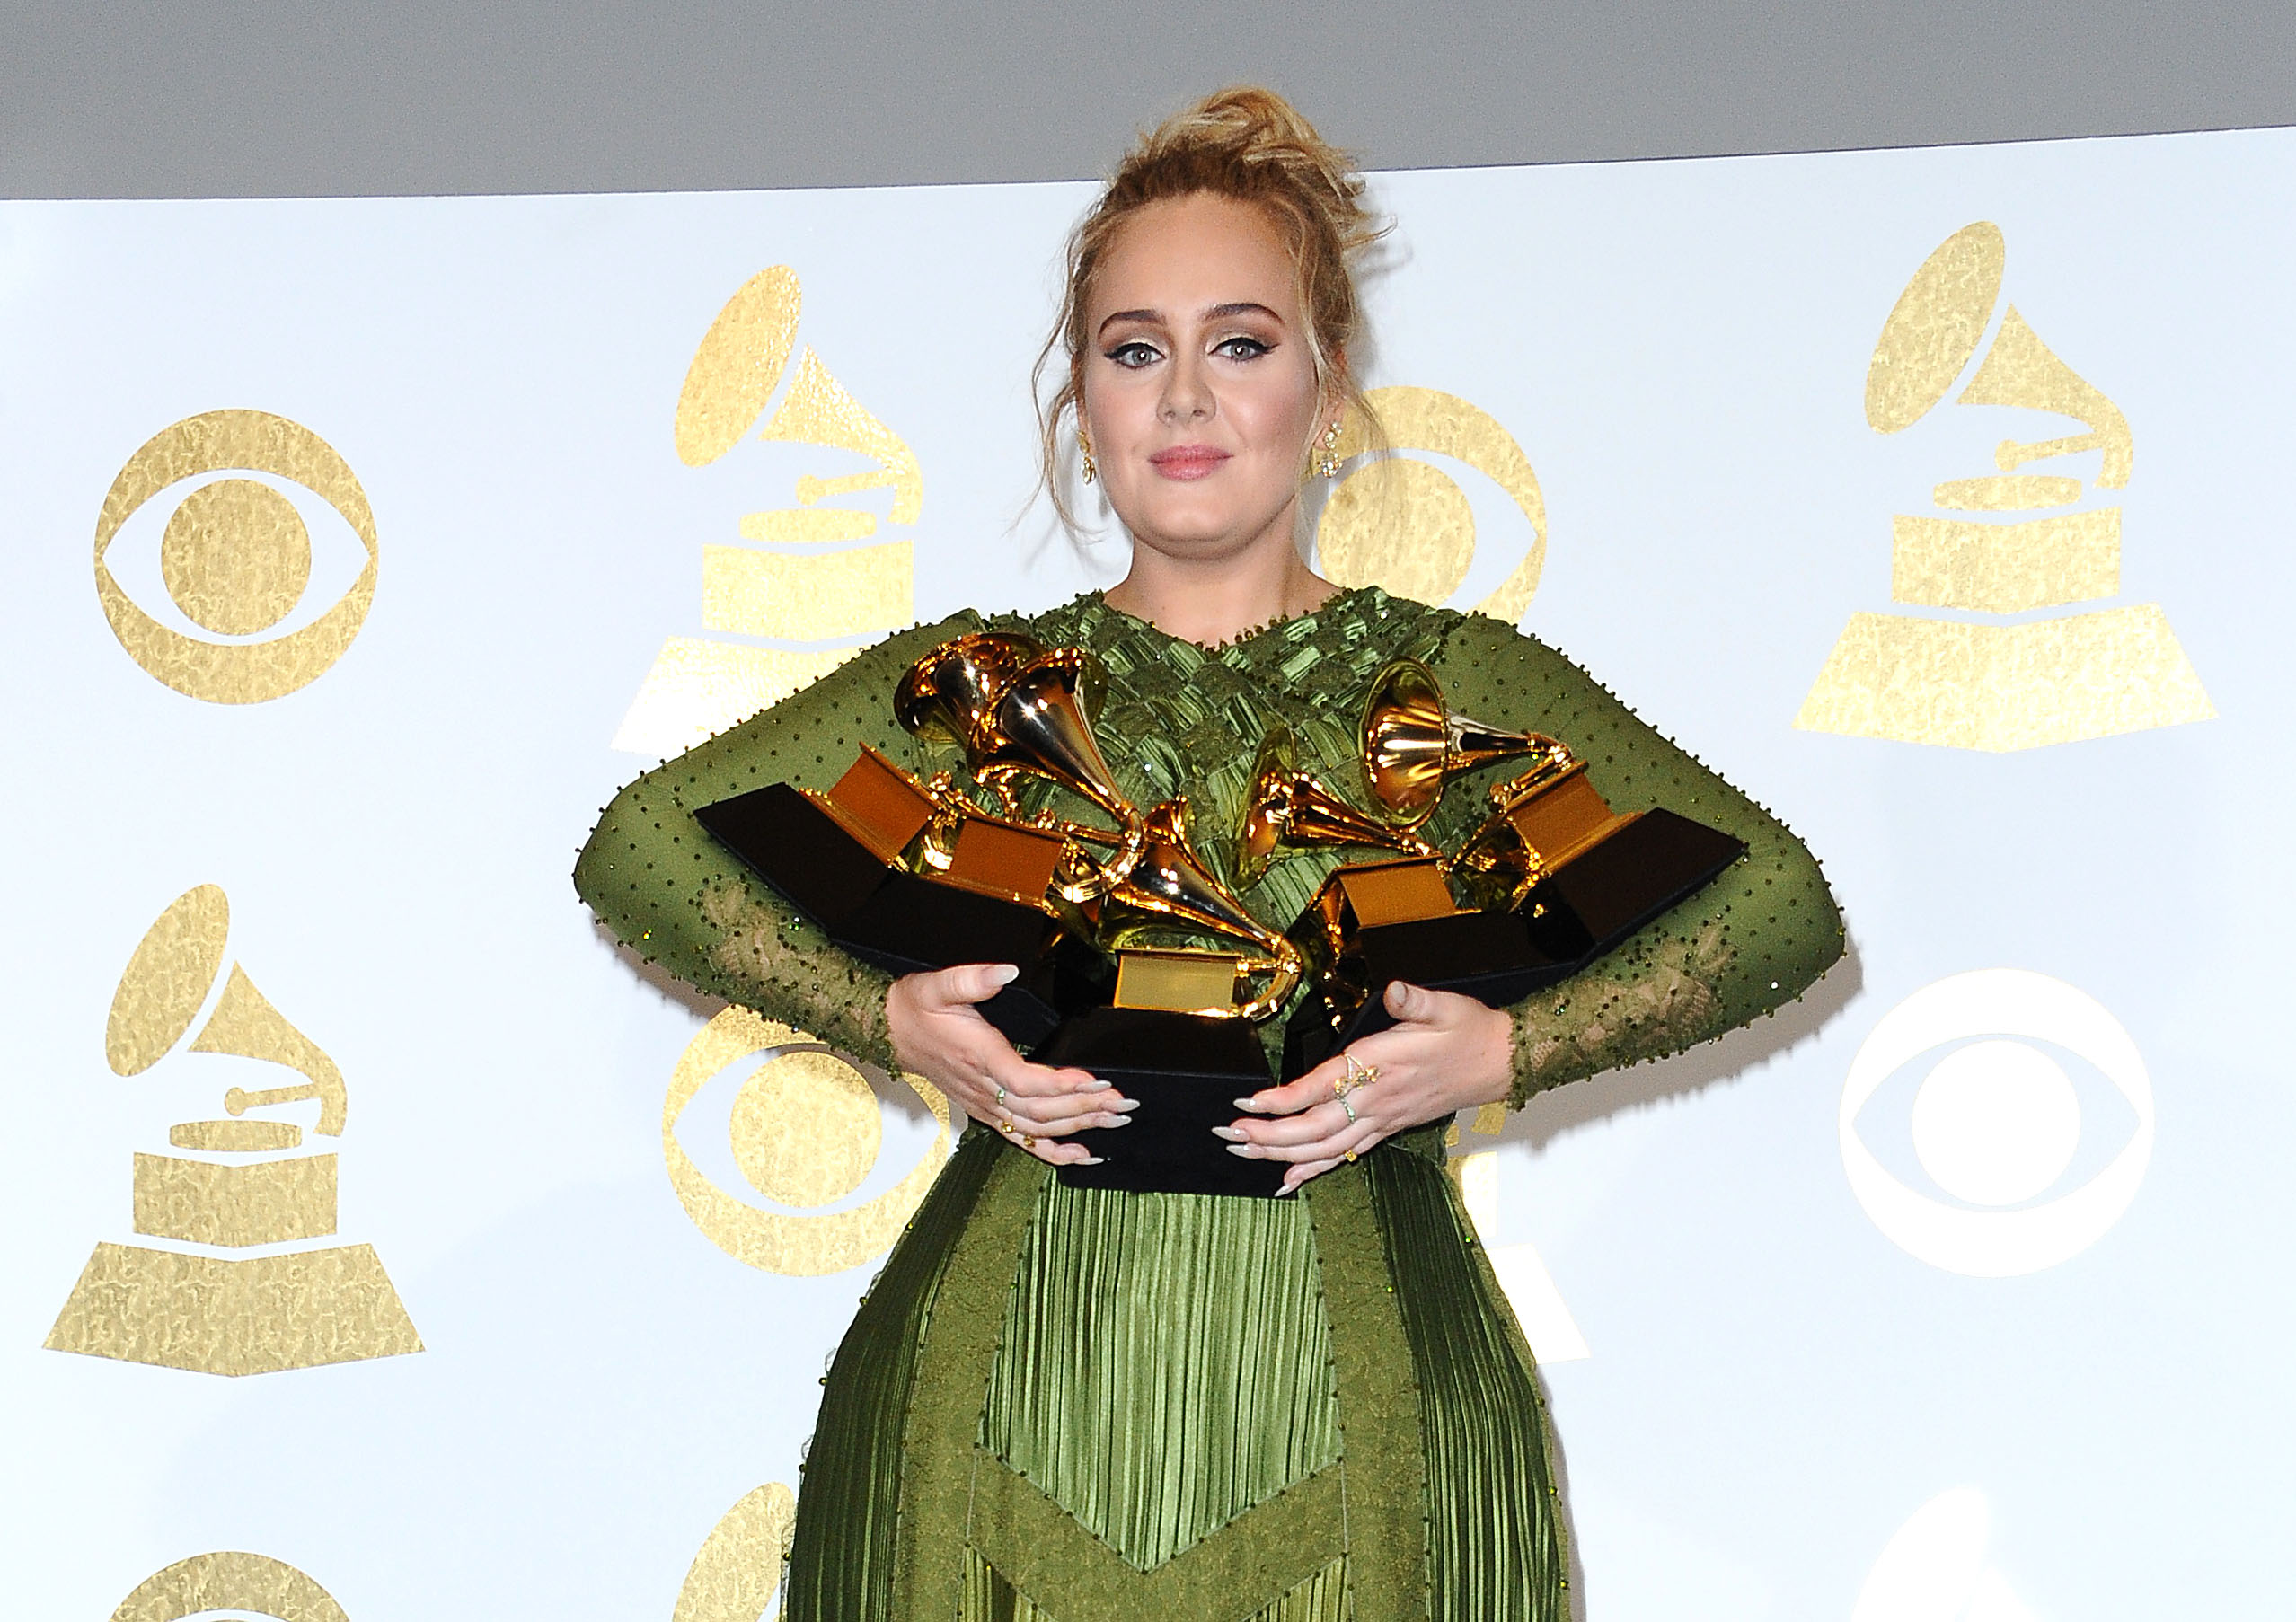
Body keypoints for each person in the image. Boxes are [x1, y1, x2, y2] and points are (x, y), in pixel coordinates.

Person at [577, 86, 1842, 1622]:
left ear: (1327, 389)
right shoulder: (971, 687)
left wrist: (1506, 1051)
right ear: (1081, 405)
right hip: (992, 1410)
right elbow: (642, 846)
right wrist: (887, 1017)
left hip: (1373, 1418)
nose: (1184, 397)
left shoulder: (1455, 687)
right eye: (1135, 351)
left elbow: (1778, 902)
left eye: (1238, 344)